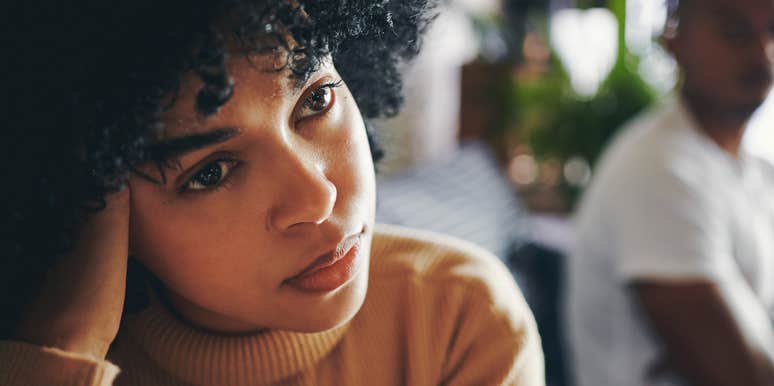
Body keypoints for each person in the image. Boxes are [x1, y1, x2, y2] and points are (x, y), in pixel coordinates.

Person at [0, 1, 545, 385]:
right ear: (91, 195)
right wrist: (61, 350)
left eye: (316, 100)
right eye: (211, 172)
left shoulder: (458, 320)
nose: (319, 198)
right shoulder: (42, 354)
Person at [565, 0, 774, 385]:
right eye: (734, 30)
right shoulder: (659, 169)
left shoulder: (754, 171)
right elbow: (744, 378)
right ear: (674, 38)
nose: (762, 52)